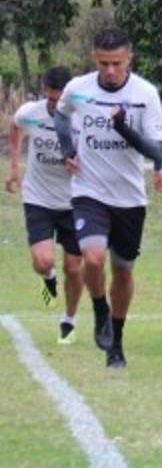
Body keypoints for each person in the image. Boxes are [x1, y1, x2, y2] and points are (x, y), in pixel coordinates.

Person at [54, 28, 162, 369]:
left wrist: (123, 128)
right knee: (91, 256)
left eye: (117, 63)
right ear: (94, 58)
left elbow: (157, 150)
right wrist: (66, 148)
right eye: (104, 63)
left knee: (123, 271)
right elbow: (61, 115)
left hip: (129, 197)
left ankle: (115, 341)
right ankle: (99, 307)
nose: (111, 71)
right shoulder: (78, 89)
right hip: (89, 190)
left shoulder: (146, 94)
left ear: (129, 58)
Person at [7, 66, 83, 343]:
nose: (54, 105)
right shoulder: (31, 113)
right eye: (50, 99)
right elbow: (15, 127)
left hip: (75, 200)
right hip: (38, 197)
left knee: (74, 267)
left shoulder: (82, 118)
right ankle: (48, 278)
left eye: (59, 100)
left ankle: (69, 321)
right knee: (43, 261)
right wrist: (14, 166)